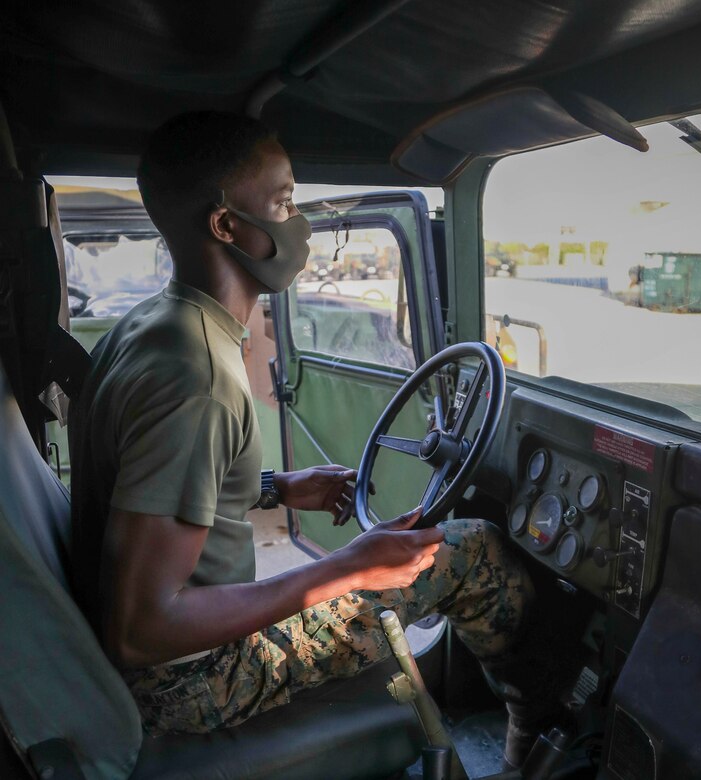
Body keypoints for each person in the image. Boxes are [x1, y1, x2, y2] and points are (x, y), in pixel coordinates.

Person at [68, 111, 538, 767]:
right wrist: (349, 564)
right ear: (228, 225)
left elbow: (145, 491)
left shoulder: (150, 324)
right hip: (192, 681)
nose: (302, 225)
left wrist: (276, 488)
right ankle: (535, 737)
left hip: (164, 665)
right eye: (286, 203)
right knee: (470, 553)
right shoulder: (196, 377)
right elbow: (142, 630)